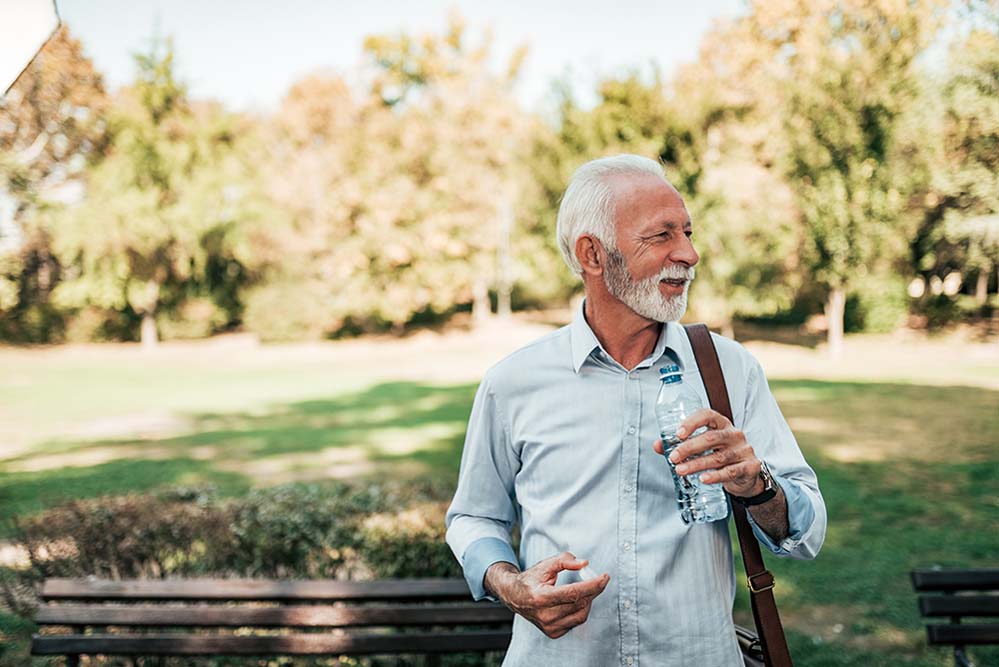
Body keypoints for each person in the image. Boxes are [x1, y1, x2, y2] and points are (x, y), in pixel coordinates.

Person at [445, 154, 826, 666]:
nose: (689, 254)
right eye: (662, 236)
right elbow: (473, 516)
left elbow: (806, 530)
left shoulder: (730, 370)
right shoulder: (513, 382)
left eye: (687, 232)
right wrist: (508, 583)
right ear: (593, 254)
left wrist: (757, 484)